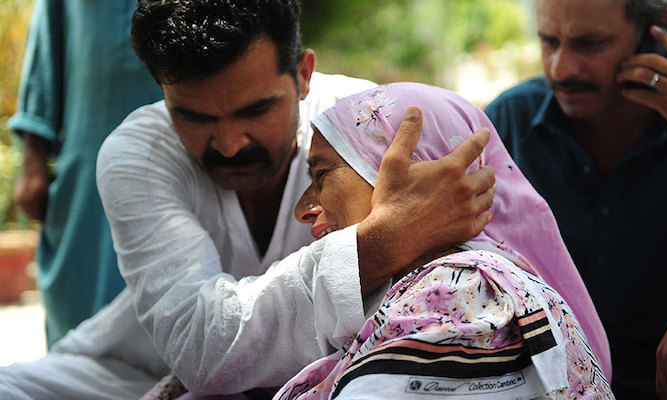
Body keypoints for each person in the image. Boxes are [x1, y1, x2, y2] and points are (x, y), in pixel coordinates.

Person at [0, 1, 496, 399]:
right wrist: (381, 243)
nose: (230, 143)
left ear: (303, 75)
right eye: (194, 117)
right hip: (129, 375)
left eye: (256, 109)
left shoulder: (370, 125)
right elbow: (200, 349)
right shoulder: (139, 152)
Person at [147, 82, 613, 400]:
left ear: (416, 174)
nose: (304, 208)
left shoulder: (459, 296)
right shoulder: (434, 291)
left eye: (322, 174)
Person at [484, 0, 667, 399]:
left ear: (657, 32)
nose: (562, 69)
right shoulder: (509, 122)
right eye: (549, 41)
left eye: (590, 44)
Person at [9, 0, 162, 345]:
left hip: (181, 154)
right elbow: (47, 38)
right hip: (86, 167)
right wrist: (34, 156)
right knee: (78, 327)